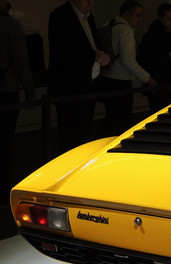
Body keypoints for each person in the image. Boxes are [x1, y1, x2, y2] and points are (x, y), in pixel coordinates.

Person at [48, 0, 110, 155]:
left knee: (84, 135)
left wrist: (101, 55)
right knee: (70, 138)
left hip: (88, 85)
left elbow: (93, 43)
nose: (90, 2)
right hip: (69, 88)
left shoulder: (89, 17)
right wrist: (93, 56)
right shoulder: (60, 15)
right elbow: (62, 51)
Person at [98, 0, 156, 137]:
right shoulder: (126, 31)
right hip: (121, 82)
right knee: (123, 121)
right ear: (126, 14)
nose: (139, 20)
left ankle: (99, 143)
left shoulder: (109, 25)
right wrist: (148, 78)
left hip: (106, 77)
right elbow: (129, 61)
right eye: (137, 15)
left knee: (111, 117)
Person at [0, 0, 34, 202]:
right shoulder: (9, 25)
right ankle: (4, 190)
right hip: (6, 92)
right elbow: (21, 61)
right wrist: (30, 92)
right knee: (4, 144)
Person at [138, 3, 171, 112]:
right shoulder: (150, 37)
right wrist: (168, 58)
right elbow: (144, 61)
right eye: (169, 18)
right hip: (158, 85)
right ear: (160, 18)